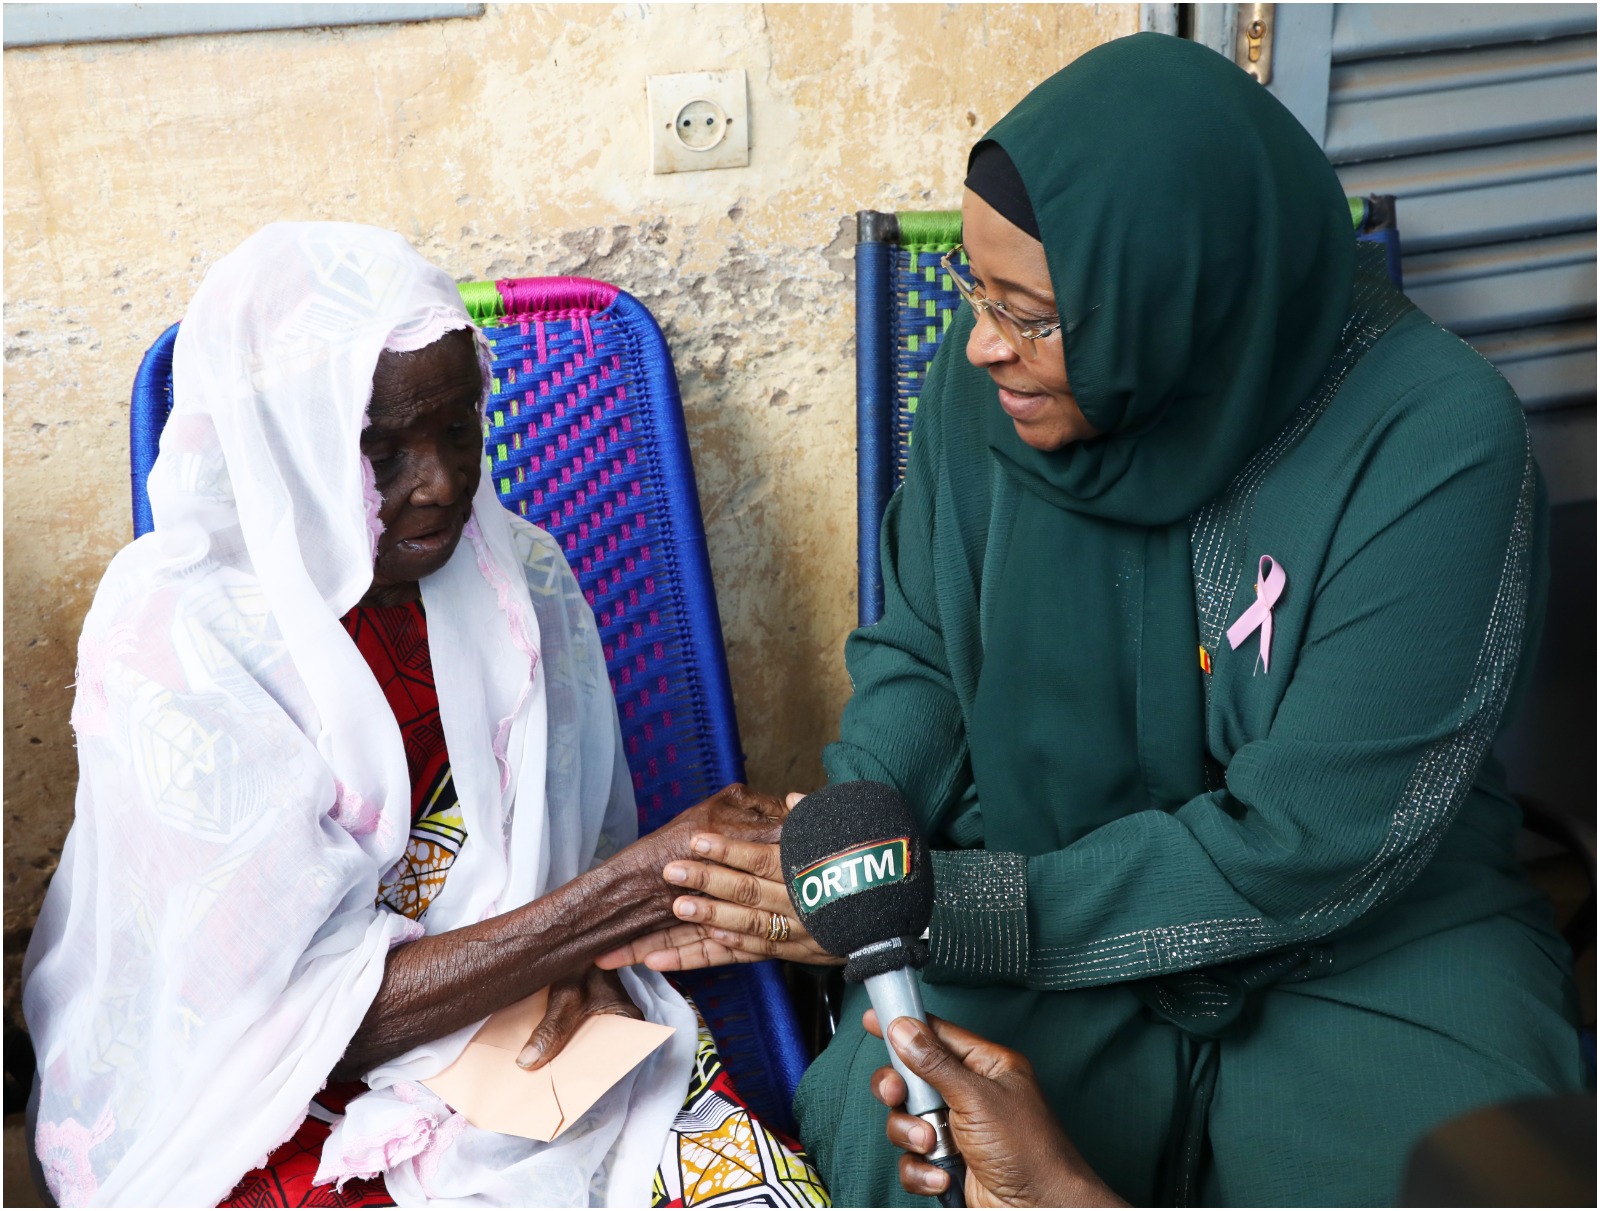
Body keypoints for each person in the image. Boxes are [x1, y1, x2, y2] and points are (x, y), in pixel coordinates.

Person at [601, 33, 1588, 1205]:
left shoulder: (1433, 440)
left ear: (1178, 301)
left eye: (1032, 316)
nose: (981, 344)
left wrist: (944, 910)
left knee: (1473, 1176)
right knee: (901, 1147)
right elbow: (919, 653)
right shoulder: (981, 390)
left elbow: (1315, 842)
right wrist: (858, 850)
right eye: (979, 291)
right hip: (1037, 856)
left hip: (1367, 934)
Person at [21, 223, 827, 1208]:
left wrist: (569, 942)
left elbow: (557, 859)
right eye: (380, 447)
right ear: (286, 438)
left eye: (457, 429)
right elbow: (291, 1017)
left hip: (517, 1016)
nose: (438, 482)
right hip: (254, 1092)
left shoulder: (519, 579)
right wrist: (619, 897)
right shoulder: (178, 631)